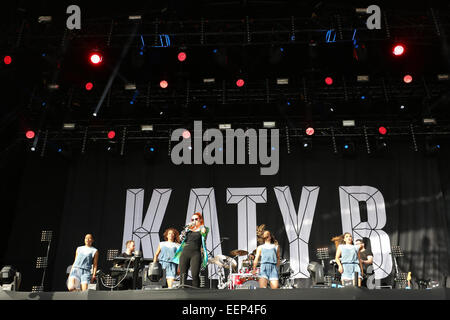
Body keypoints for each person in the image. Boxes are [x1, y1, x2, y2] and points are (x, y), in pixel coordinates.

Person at [173, 212, 209, 288]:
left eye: (196, 219)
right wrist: (186, 229)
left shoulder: (203, 229)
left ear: (200, 220)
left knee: (195, 274)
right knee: (183, 275)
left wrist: (203, 231)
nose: (194, 221)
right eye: (192, 219)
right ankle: (183, 291)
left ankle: (196, 293)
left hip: (195, 253)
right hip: (185, 252)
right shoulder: (188, 230)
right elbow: (180, 239)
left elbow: (204, 237)